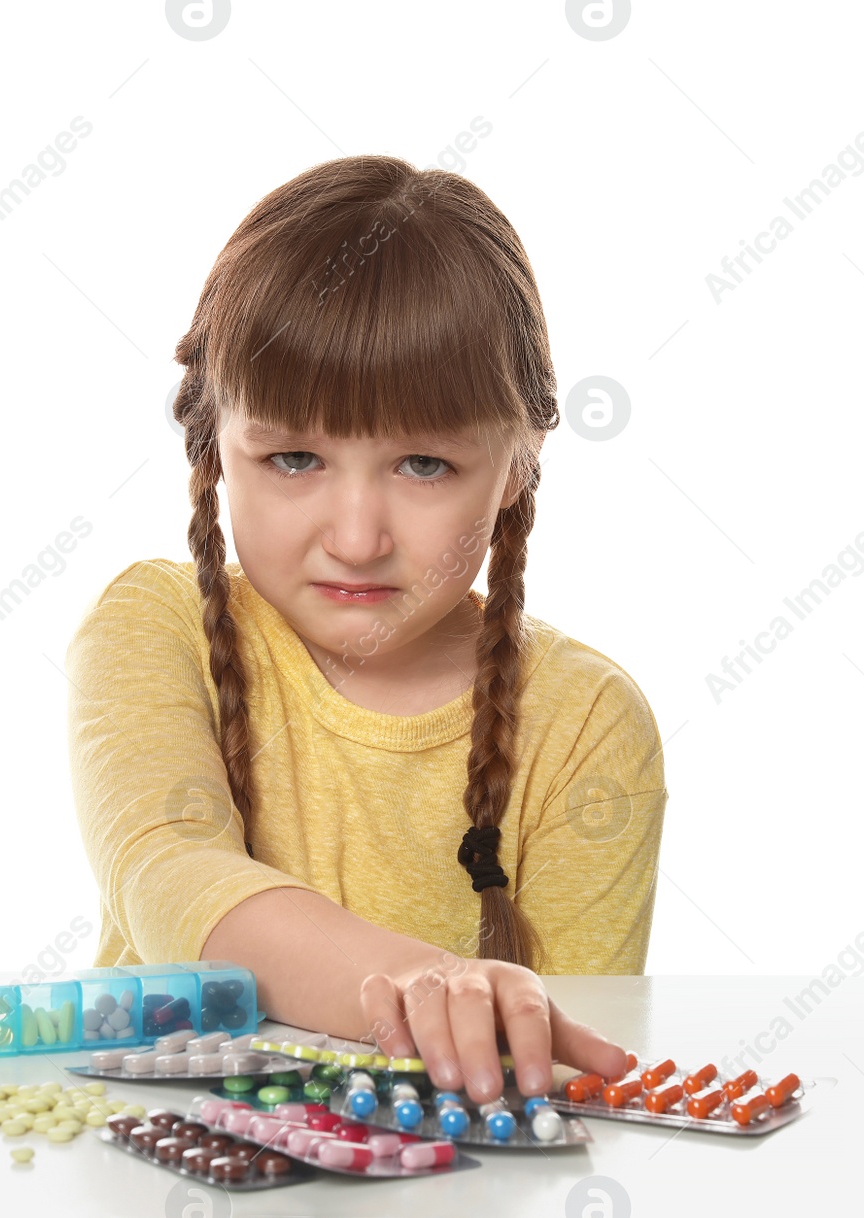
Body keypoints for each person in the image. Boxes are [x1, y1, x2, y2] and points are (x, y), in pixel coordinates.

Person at [66, 154, 667, 1106]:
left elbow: (562, 1073)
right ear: (212, 441)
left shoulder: (585, 720)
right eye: (295, 456)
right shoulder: (153, 626)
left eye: (424, 464)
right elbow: (169, 872)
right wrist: (433, 985)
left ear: (520, 462)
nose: (356, 538)